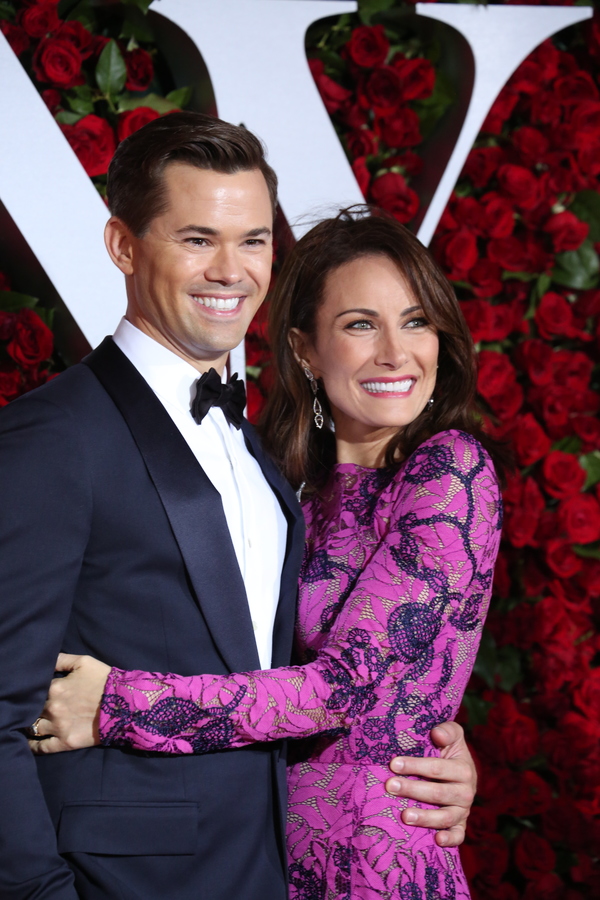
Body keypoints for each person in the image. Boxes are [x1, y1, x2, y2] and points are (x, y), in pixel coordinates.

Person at [0, 113, 475, 900]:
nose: (232, 270)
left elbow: (318, 671)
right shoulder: (53, 438)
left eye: (253, 240)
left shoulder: (264, 456)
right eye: (197, 239)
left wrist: (431, 749)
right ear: (122, 245)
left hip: (277, 869)